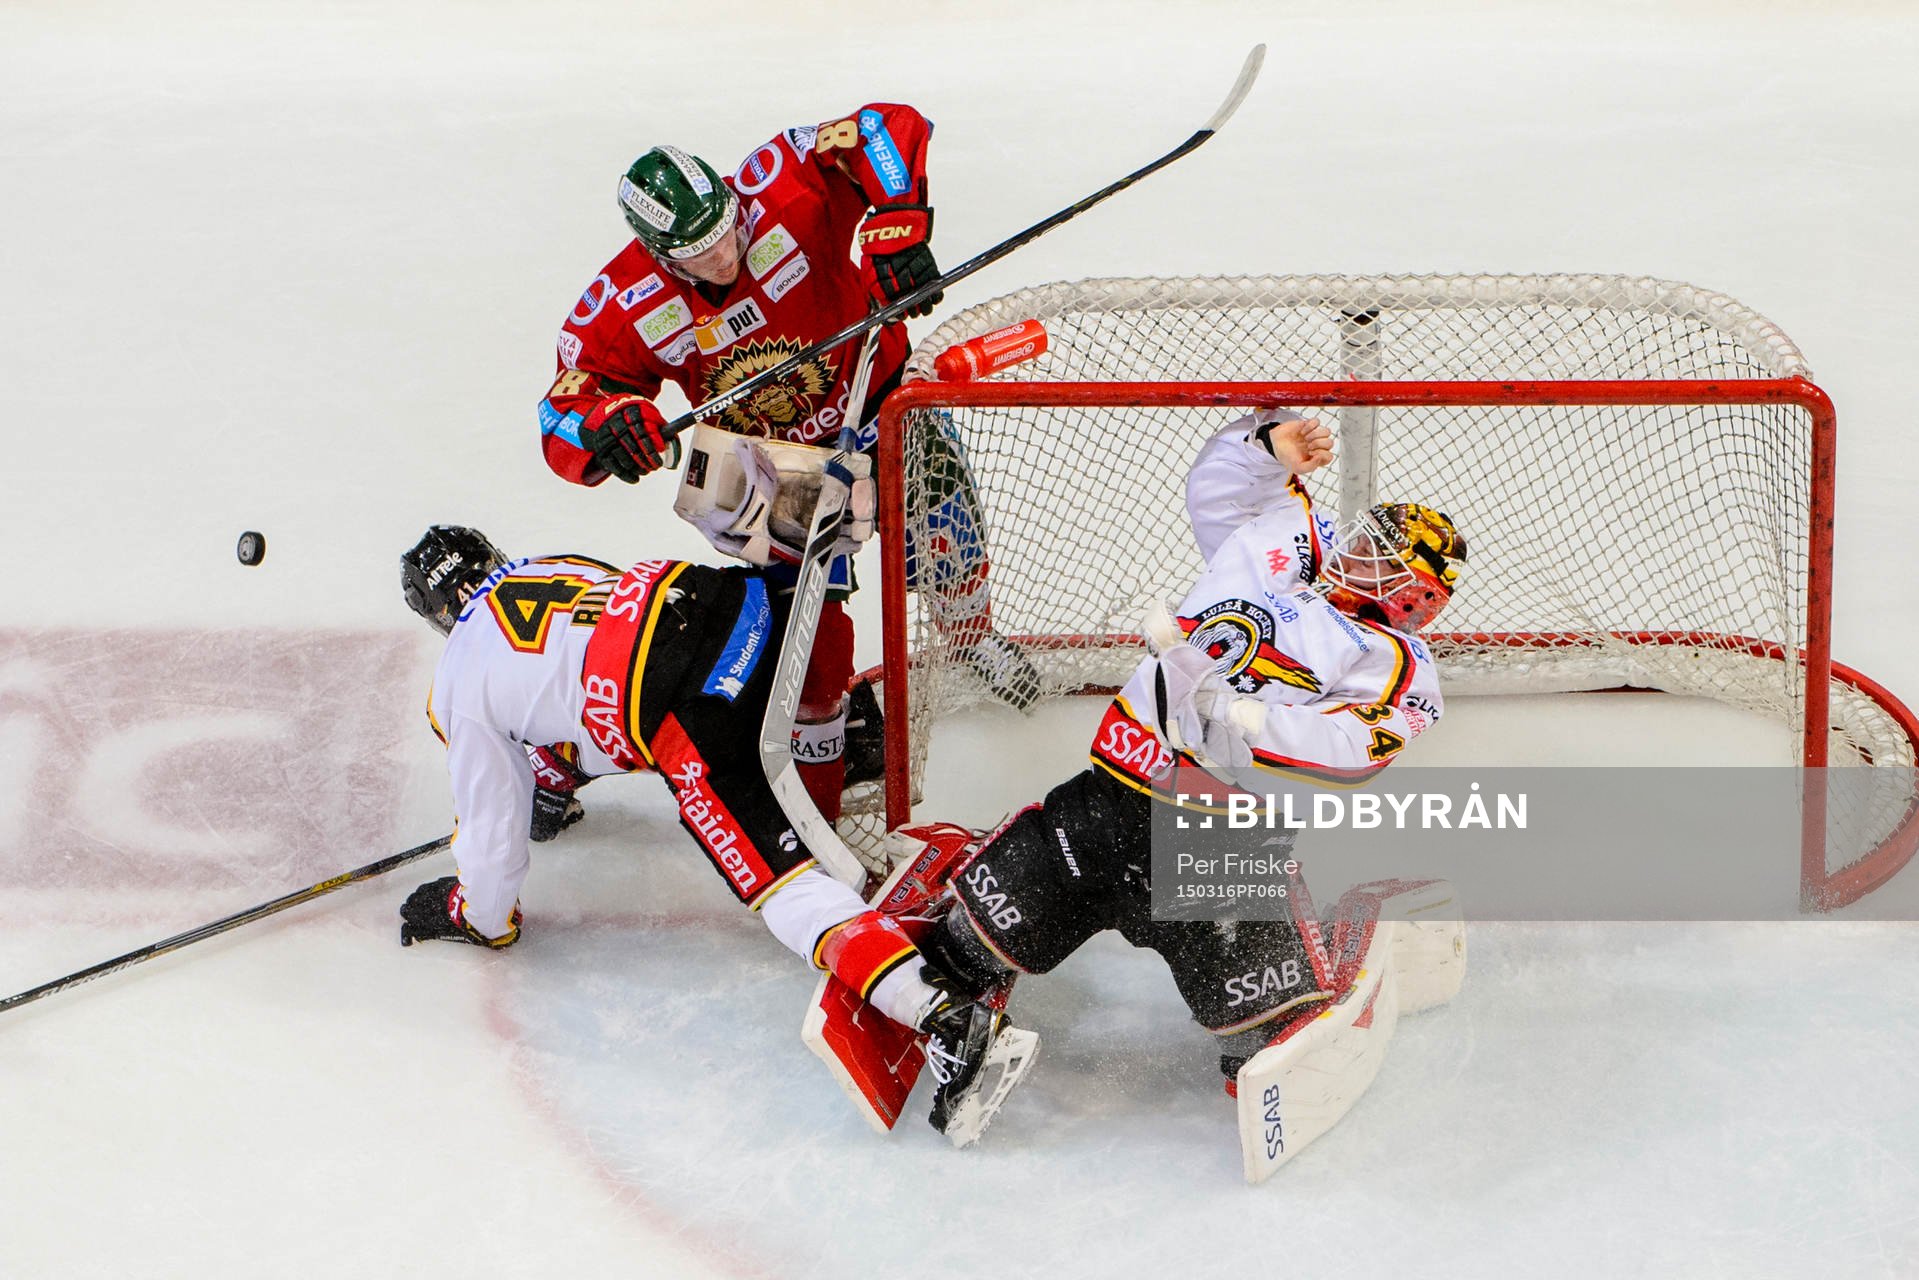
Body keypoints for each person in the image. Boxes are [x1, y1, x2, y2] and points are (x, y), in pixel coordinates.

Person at [870, 409, 1470, 1163]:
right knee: (968, 942)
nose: (1354, 552)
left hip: (1216, 844)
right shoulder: (1281, 548)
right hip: (1104, 799)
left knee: (1262, 1030)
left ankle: (1303, 993)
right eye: (1361, 538)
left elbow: (1355, 746)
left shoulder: (1396, 661)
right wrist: (1263, 449)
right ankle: (962, 1003)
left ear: (1413, 595)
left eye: (1378, 557)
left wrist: (1239, 715)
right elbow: (1220, 495)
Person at [392, 496, 1009, 1135]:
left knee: (778, 886)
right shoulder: (549, 566)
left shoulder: (457, 683)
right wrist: (560, 772)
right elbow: (595, 670)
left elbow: (493, 832)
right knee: (725, 704)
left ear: (435, 615)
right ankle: (843, 737)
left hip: (686, 700)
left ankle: (939, 1012)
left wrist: (479, 915)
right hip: (736, 609)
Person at [536, 108, 1039, 829]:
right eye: (696, 254)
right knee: (815, 643)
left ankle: (970, 639)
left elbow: (877, 129)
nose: (722, 257)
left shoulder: (781, 184)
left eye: (725, 232)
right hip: (771, 469)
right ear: (655, 252)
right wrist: (609, 425)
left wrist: (896, 220)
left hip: (878, 400)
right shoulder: (621, 303)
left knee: (948, 539)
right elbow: (565, 406)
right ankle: (811, 800)